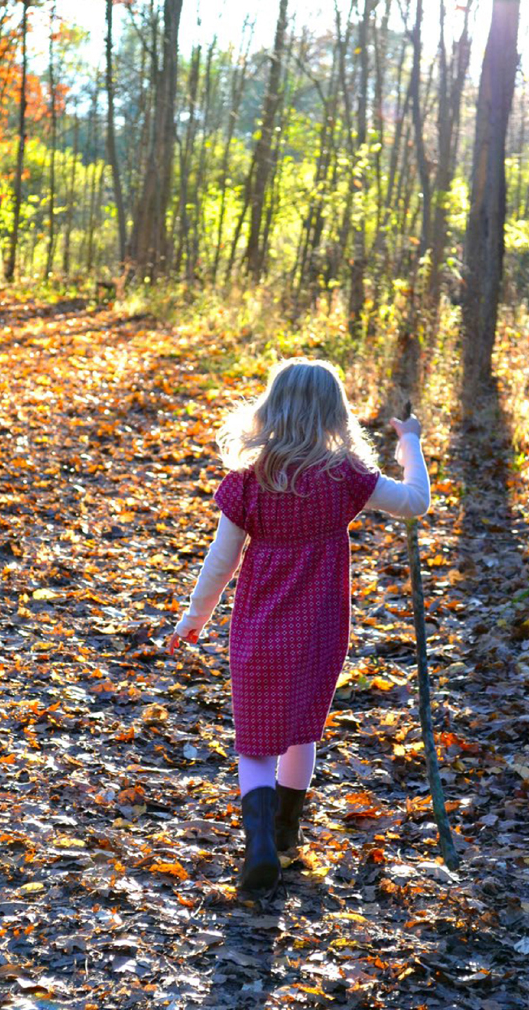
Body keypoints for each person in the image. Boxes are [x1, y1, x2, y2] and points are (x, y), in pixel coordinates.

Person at [167, 357, 430, 896]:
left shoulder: (248, 481)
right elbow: (415, 503)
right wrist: (410, 443)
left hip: (258, 630)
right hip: (318, 629)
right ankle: (286, 839)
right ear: (335, 414)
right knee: (300, 728)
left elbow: (221, 560)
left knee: (257, 740)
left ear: (272, 409)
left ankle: (259, 844)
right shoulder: (346, 478)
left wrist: (195, 618)